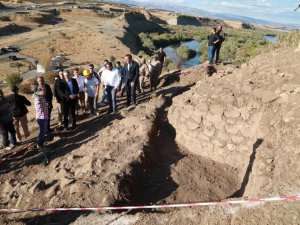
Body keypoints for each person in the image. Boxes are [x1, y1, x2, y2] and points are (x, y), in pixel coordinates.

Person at [34, 80, 49, 149]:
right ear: (39, 91)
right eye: (43, 90)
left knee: (43, 131)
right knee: (42, 131)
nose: (45, 91)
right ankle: (39, 144)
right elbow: (38, 108)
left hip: (44, 116)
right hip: (41, 118)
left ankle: (40, 143)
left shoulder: (42, 97)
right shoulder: (37, 98)